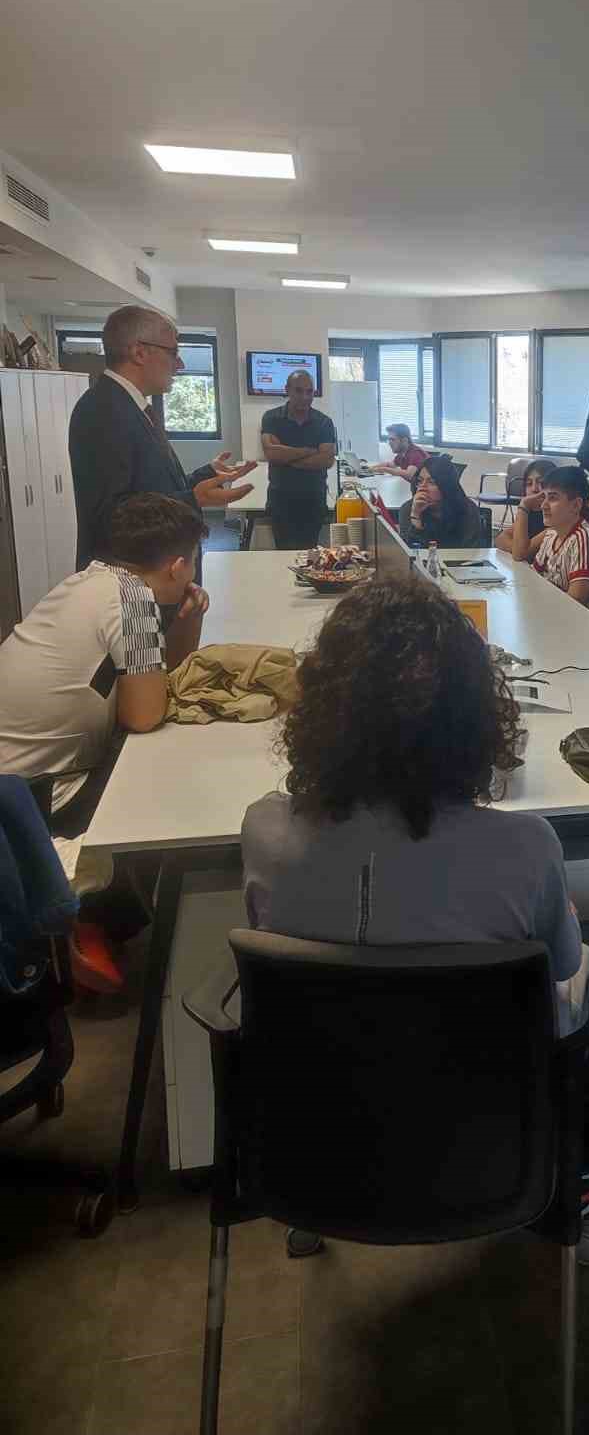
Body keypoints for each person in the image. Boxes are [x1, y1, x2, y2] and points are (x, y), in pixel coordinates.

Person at [241, 576, 589, 1208]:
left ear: (321, 709)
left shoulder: (265, 829)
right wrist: (559, 916)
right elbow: (564, 968)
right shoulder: (526, 847)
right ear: (474, 720)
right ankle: (582, 1160)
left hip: (325, 1133)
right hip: (490, 1131)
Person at [0, 493, 209, 991]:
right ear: (178, 566)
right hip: (29, 797)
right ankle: (97, 920)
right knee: (167, 777)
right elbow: (144, 714)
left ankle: (98, 916)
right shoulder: (134, 601)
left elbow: (157, 679)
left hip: (15, 777)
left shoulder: (90, 581)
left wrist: (188, 622)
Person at [68, 304, 255, 571]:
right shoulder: (104, 410)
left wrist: (205, 475)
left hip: (157, 573)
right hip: (133, 579)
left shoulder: (132, 406)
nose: (180, 364)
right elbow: (113, 517)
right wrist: (193, 500)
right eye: (173, 352)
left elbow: (150, 490)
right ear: (139, 352)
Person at [510, 465, 589, 611]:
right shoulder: (552, 534)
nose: (543, 505)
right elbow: (534, 579)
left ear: (576, 505)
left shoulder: (586, 539)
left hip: (581, 620)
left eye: (552, 498)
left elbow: (575, 602)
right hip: (552, 610)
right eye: (544, 498)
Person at [260, 369, 338, 551]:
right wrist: (309, 451)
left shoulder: (324, 422)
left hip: (313, 500)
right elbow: (271, 454)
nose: (305, 397)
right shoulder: (271, 418)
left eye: (309, 391)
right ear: (287, 390)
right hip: (281, 500)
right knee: (283, 555)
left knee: (309, 555)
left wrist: (286, 457)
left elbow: (327, 460)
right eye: (299, 390)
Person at [396, 454, 483, 549]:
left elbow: (467, 550)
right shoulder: (409, 509)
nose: (422, 487)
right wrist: (416, 518)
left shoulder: (467, 508)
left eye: (431, 482)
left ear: (446, 485)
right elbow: (408, 552)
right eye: (420, 481)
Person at [496, 457, 555, 553]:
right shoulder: (531, 512)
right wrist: (516, 548)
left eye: (540, 483)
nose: (534, 489)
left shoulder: (556, 519)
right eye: (529, 483)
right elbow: (500, 539)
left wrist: (523, 505)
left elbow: (521, 553)